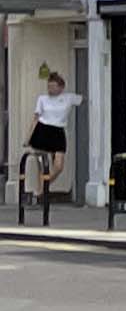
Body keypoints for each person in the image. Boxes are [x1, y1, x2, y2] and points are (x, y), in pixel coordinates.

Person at [24, 67, 72, 211]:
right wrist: (28, 137)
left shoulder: (67, 98)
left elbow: (83, 99)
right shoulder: (42, 99)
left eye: (53, 86)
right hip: (43, 132)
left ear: (61, 87)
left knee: (58, 166)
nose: (50, 90)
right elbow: (35, 118)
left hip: (58, 132)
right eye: (48, 86)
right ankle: (40, 194)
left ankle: (40, 191)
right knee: (43, 165)